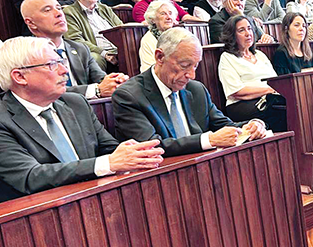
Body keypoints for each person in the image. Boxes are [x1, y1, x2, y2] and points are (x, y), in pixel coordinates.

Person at [0, 37, 164, 204]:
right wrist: (107, 163)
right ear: (19, 76)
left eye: (61, 61)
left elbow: (109, 149)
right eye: (51, 64)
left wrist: (134, 154)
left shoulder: (75, 103)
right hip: (32, 224)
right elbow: (30, 177)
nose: (64, 70)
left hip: (93, 202)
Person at [111, 28, 267, 157]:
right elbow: (151, 147)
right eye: (185, 65)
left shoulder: (196, 89)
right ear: (159, 57)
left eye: (195, 66)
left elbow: (225, 126)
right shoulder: (129, 96)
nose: (191, 75)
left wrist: (252, 125)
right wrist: (210, 140)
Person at [22, 0, 127, 98]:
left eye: (59, 8)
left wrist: (115, 81)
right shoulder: (27, 55)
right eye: (47, 10)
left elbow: (101, 79)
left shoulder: (80, 49)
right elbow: (48, 91)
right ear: (31, 23)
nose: (59, 13)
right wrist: (94, 91)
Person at [218, 15, 286, 132]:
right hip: (240, 105)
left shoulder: (260, 55)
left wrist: (271, 91)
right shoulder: (227, 58)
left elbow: (275, 81)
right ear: (232, 35)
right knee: (279, 111)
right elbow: (236, 92)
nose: (248, 33)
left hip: (268, 99)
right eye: (241, 30)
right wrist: (267, 90)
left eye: (249, 28)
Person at [62, 0, 123, 70]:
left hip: (117, 49)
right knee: (95, 58)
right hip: (97, 52)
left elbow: (121, 28)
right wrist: (103, 53)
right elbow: (75, 40)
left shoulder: (105, 9)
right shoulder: (69, 12)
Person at [208, 0, 272, 44]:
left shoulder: (249, 19)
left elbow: (259, 36)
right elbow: (231, 42)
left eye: (241, 0)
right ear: (224, 2)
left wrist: (268, 38)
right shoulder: (216, 21)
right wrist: (239, 17)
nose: (239, 3)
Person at [139, 0, 178, 72]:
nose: (169, 17)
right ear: (152, 19)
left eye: (170, 13)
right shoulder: (148, 40)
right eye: (163, 14)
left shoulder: (178, 35)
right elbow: (148, 70)